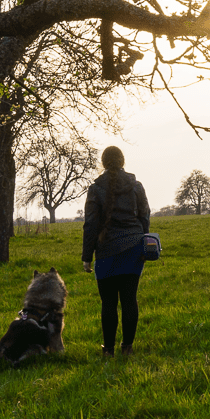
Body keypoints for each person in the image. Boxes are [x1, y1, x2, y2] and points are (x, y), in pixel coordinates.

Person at [81, 145, 151, 356]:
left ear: (103, 163)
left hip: (106, 251)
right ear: (123, 161)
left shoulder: (95, 189)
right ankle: (127, 348)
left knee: (108, 302)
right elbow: (145, 216)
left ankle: (108, 350)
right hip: (133, 249)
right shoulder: (136, 185)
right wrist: (142, 239)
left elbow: (91, 224)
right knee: (130, 299)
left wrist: (87, 257)